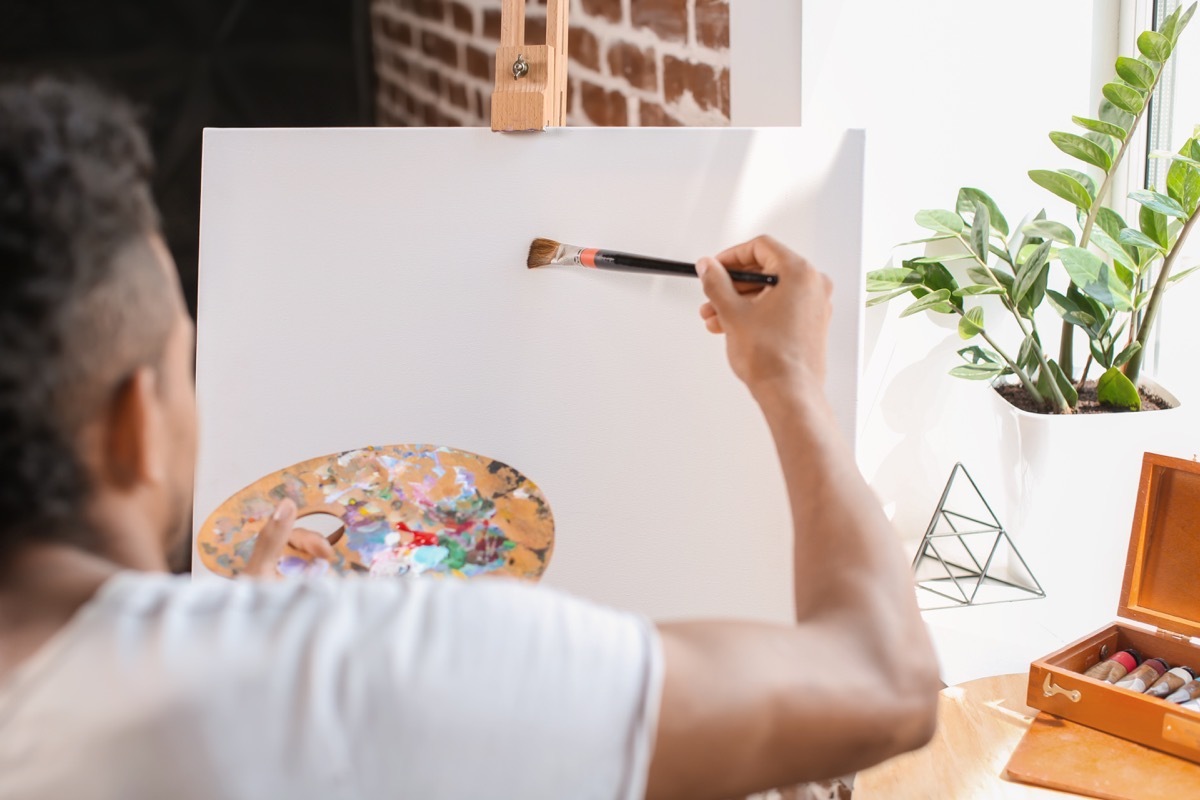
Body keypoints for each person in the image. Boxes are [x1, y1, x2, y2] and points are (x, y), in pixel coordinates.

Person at [0, 78, 939, 800]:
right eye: (184, 361)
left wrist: (238, 637)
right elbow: (883, 685)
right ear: (135, 425)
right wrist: (789, 380)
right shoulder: (383, 667)